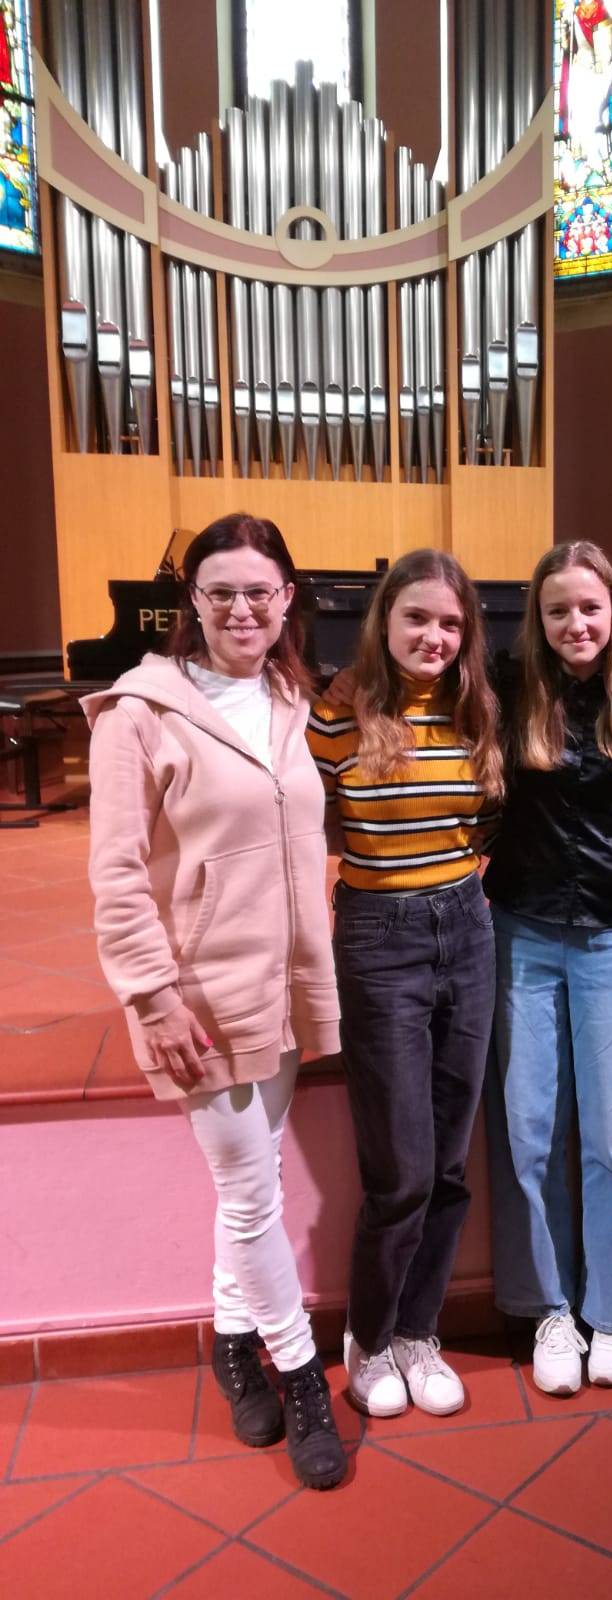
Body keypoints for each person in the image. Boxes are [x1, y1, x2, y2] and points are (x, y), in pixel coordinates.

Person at [85, 514, 346, 1491]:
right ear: (191, 601)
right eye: (221, 591)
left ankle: (232, 1342)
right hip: (200, 993)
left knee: (255, 1183)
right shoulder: (138, 713)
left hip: (285, 982)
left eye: (259, 591)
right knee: (248, 1191)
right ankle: (300, 1374)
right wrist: (151, 997)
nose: (242, 608)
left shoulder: (289, 698)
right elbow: (115, 874)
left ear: (287, 600)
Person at [306, 551, 503, 1419]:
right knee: (404, 1172)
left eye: (451, 623)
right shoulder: (339, 713)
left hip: (467, 927)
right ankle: (372, 1334)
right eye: (417, 617)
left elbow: (484, 823)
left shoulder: (475, 709)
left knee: (451, 1164)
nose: (434, 636)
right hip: (380, 940)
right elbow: (305, 821)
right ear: (384, 620)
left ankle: (421, 1331)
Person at [483, 540, 612, 1396]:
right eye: (558, 610)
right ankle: (549, 1307)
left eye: (590, 607)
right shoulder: (507, 688)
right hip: (522, 927)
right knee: (529, 1131)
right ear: (538, 618)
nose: (576, 623)